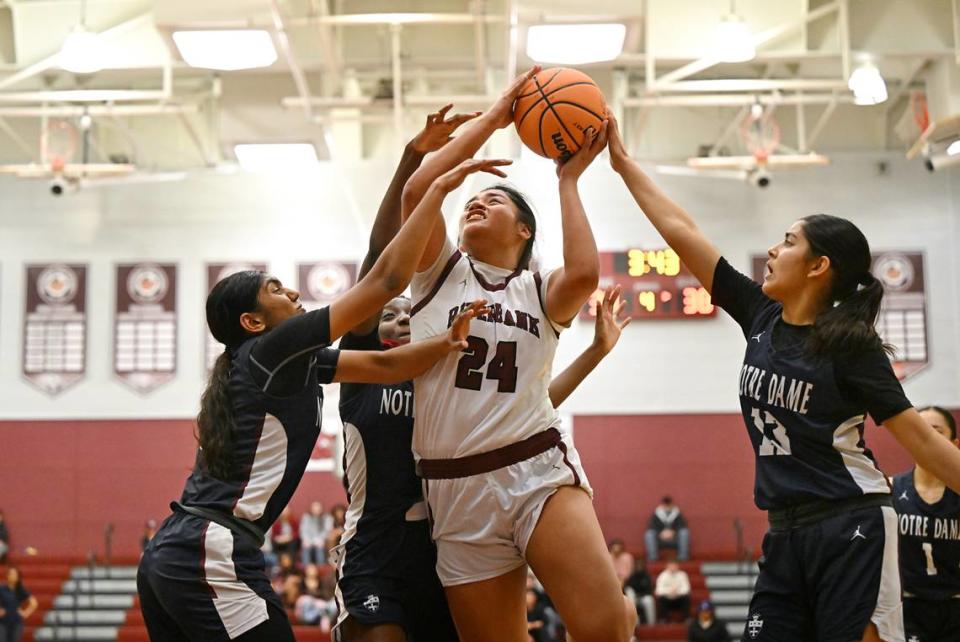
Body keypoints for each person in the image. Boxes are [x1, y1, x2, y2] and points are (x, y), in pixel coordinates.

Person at [606, 109, 960, 642]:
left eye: (789, 241)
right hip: (784, 529)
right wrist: (623, 164)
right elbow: (682, 232)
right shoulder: (760, 316)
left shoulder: (851, 346)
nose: (773, 249)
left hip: (853, 522)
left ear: (819, 267)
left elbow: (924, 444)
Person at [136, 146, 489, 642]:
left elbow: (386, 364)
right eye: (277, 290)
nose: (295, 295)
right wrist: (429, 191)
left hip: (180, 550)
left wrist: (447, 342)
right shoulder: (270, 348)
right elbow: (384, 278)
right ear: (252, 322)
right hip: (209, 550)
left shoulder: (284, 365)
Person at [333, 104, 631, 642]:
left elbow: (585, 273)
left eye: (494, 198)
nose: (477, 201)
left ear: (522, 230)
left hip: (534, 465)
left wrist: (568, 181)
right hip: (453, 486)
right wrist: (493, 121)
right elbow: (416, 191)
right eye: (472, 198)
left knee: (607, 626)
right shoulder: (437, 274)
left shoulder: (538, 290)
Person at [892, 406, 960, 642]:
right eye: (920, 430)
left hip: (954, 606)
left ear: (953, 442)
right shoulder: (891, 489)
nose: (925, 437)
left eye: (935, 431)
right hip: (909, 607)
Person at [645, 496, 690, 561]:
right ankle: (653, 557)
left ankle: (683, 556)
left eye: (668, 505)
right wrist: (660, 533)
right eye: (665, 505)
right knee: (649, 534)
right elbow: (652, 526)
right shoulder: (656, 514)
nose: (667, 507)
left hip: (674, 539)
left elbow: (682, 525)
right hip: (660, 539)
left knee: (684, 533)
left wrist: (673, 532)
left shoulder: (677, 514)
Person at [0, 567, 37, 642]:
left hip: (16, 623)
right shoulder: (1, 589)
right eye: (11, 574)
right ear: (7, 575)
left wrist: (25, 613)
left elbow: (34, 603)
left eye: (15, 574)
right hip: (3, 622)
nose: (13, 576)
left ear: (18, 577)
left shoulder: (21, 590)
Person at [624, 558, 656, 625]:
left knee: (649, 600)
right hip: (633, 598)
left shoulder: (646, 576)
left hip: (643, 597)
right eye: (638, 565)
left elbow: (649, 591)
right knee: (630, 592)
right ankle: (635, 621)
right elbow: (627, 588)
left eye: (641, 565)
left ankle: (652, 623)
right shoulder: (632, 577)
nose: (639, 567)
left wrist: (640, 596)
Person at [300, 501, 332, 566]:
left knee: (320, 547)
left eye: (318, 509)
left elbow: (327, 531)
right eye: (314, 509)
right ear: (311, 509)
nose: (316, 511)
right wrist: (306, 540)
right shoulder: (306, 517)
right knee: (305, 546)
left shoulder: (327, 517)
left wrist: (320, 540)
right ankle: (306, 567)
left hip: (321, 540)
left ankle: (321, 567)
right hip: (309, 540)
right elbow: (303, 530)